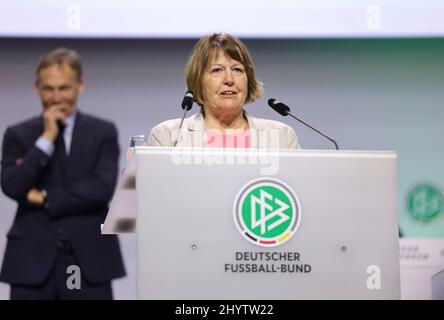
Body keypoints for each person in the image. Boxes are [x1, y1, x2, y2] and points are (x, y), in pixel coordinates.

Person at [0, 48, 125, 299]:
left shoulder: (102, 132)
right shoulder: (18, 134)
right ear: (37, 88)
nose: (57, 97)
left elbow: (101, 189)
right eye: (49, 89)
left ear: (80, 86)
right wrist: (46, 139)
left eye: (64, 88)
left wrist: (45, 197)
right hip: (32, 264)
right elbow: (12, 185)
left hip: (88, 261)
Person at [149, 33, 299, 149]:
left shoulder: (282, 137)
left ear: (248, 79)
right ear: (198, 81)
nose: (229, 79)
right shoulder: (168, 137)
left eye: (237, 69)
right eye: (217, 70)